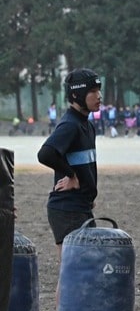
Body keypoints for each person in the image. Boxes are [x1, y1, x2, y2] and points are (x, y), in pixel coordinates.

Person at [37, 69, 103, 256]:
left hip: (81, 207)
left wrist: (88, 194)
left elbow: (85, 165)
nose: (99, 96)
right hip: (66, 209)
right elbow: (45, 154)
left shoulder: (87, 125)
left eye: (99, 90)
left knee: (84, 271)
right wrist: (71, 176)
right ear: (76, 94)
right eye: (93, 91)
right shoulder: (70, 125)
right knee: (74, 273)